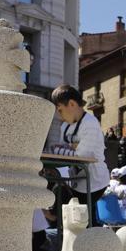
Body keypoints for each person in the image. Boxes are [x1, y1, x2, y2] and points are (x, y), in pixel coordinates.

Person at [51, 84, 110, 227]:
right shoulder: (65, 127)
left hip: (94, 181)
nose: (60, 115)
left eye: (60, 110)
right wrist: (71, 149)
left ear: (71, 104)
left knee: (83, 219)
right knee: (66, 208)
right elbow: (58, 150)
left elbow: (81, 155)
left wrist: (67, 149)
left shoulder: (90, 123)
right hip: (76, 180)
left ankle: (92, 244)